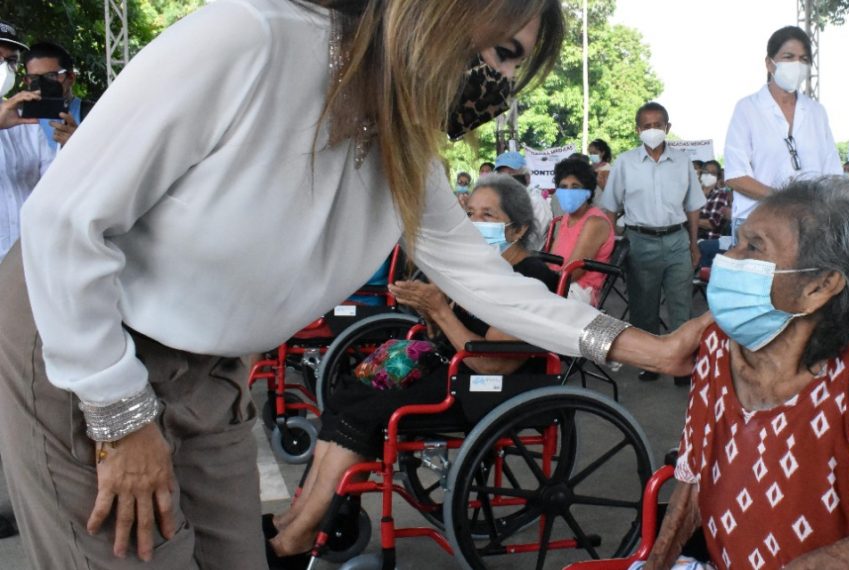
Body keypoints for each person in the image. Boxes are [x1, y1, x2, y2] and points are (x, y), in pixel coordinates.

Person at [0, 2, 711, 568]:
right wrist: (120, 418)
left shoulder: (402, 144)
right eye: (501, 53)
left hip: (212, 374)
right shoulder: (251, 40)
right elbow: (63, 221)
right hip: (87, 341)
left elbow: (487, 283)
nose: (499, 86)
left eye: (513, 68)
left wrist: (651, 348)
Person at [643, 179, 849, 570]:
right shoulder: (717, 346)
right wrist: (654, 564)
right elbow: (694, 481)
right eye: (737, 242)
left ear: (820, 285)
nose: (728, 259)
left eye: (754, 247)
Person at [265, 175, 562, 563]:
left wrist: (440, 309)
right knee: (344, 397)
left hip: (485, 384)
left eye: (487, 215)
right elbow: (450, 336)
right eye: (470, 213)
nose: (475, 222)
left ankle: (300, 536)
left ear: (518, 229)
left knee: (365, 413)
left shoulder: (531, 276)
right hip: (453, 370)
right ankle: (298, 518)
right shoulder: (482, 270)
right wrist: (430, 310)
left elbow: (492, 361)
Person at [600, 101, 705, 384]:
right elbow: (610, 207)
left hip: (677, 240)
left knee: (682, 306)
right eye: (646, 126)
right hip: (639, 241)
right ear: (638, 130)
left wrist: (694, 244)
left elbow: (693, 206)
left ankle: (683, 364)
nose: (652, 130)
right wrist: (611, 245)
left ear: (668, 127)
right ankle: (651, 362)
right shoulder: (625, 162)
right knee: (643, 307)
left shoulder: (682, 162)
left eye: (658, 124)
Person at [723, 25, 842, 242]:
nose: (797, 64)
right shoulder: (747, 108)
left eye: (803, 59)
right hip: (758, 224)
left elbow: (832, 174)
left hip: (809, 226)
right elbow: (735, 176)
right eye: (788, 57)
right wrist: (785, 199)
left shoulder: (816, 112)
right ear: (770, 63)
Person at [0, 21, 55, 260]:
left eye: (10, 61)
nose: (4, 68)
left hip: (26, 260)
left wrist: (73, 148)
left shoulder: (25, 122)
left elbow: (54, 186)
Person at [548, 158, 614, 304]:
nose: (568, 192)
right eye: (563, 186)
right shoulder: (567, 217)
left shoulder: (595, 222)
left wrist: (543, 281)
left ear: (588, 192)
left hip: (578, 289)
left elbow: (573, 272)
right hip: (559, 280)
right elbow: (552, 259)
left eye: (575, 187)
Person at [25, 42, 94, 149]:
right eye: (34, 78)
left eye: (51, 76)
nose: (42, 84)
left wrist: (80, 145)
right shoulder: (19, 118)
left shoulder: (92, 114)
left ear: (71, 77)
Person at [494, 149, 552, 249]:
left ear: (527, 178)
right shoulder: (502, 201)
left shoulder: (535, 202)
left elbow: (532, 244)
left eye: (511, 174)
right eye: (502, 175)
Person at [696, 160, 733, 268]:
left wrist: (690, 219)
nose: (708, 175)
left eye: (712, 173)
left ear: (718, 177)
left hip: (708, 240)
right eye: (706, 172)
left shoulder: (720, 195)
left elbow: (711, 223)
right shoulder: (693, 193)